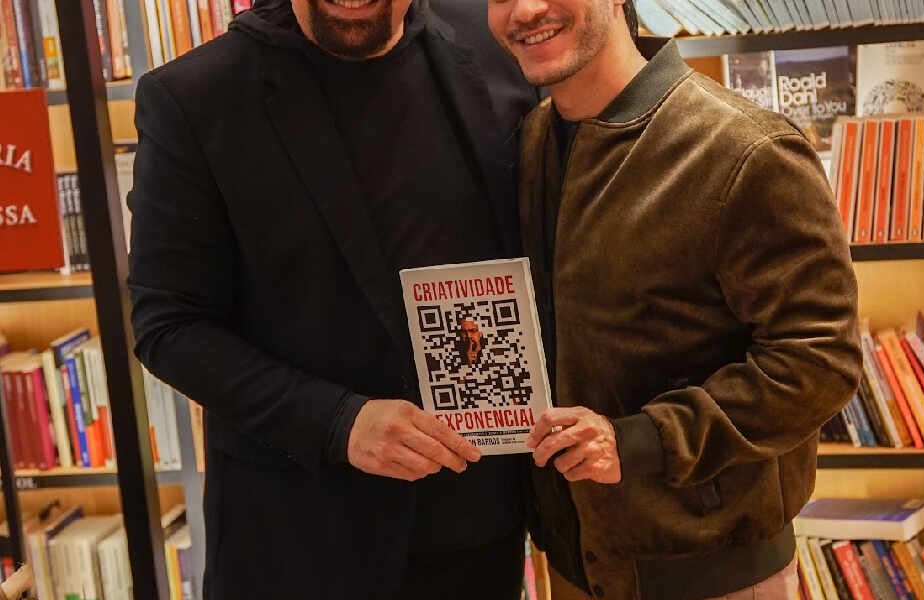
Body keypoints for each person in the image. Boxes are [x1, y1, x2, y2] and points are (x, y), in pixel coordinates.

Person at [127, 0, 538, 597]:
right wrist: (338, 422)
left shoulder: (502, 39)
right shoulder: (194, 97)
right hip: (298, 542)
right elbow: (168, 324)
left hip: (480, 532)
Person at [487, 1, 863, 599]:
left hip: (715, 576)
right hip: (573, 569)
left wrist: (642, 440)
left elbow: (821, 360)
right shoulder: (533, 140)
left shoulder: (744, 147)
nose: (526, 9)